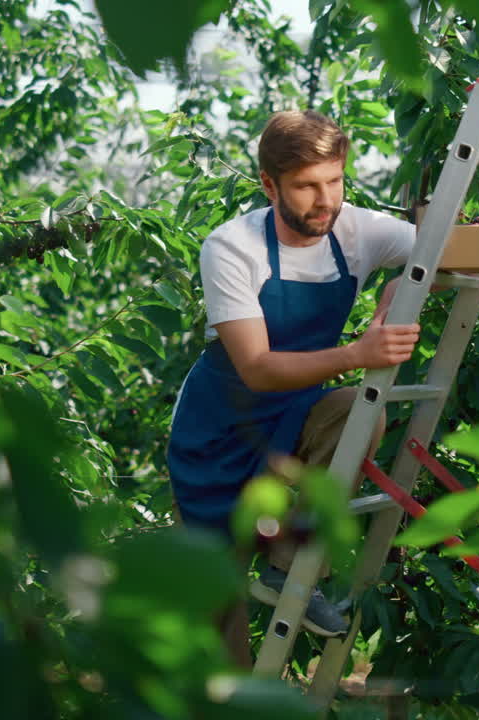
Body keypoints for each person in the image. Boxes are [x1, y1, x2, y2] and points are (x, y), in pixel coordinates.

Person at [166, 110, 421, 664]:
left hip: (298, 418)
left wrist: (406, 281)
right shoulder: (232, 247)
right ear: (269, 185)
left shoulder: (356, 231)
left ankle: (289, 570)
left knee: (361, 411)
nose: (325, 198)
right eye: (306, 186)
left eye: (335, 180)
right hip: (219, 438)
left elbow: (441, 248)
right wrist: (356, 354)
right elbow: (256, 366)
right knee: (216, 628)